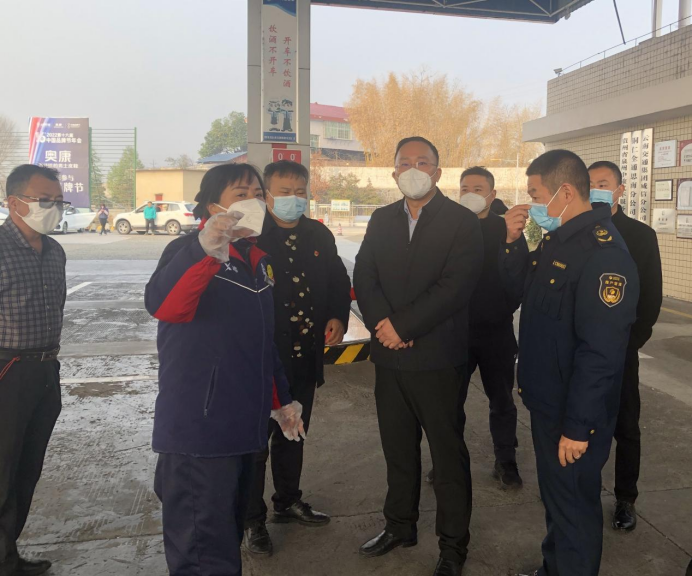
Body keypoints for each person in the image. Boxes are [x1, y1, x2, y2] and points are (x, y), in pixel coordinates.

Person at [144, 163, 305, 576]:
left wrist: (282, 401)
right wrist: (204, 250)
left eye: (258, 194)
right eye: (241, 194)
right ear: (214, 205)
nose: (254, 202)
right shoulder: (188, 250)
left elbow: (263, 342)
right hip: (201, 431)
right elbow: (164, 305)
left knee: (225, 538)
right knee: (203, 554)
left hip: (243, 428)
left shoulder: (256, 260)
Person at [501, 150, 639, 576]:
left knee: (575, 507)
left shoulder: (603, 254)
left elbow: (600, 353)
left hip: (573, 414)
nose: (531, 204)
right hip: (548, 403)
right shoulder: (558, 239)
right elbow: (520, 295)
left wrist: (578, 427)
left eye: (535, 194)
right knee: (558, 501)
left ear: (564, 192)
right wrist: (512, 243)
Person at [354, 137, 483, 576]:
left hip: (437, 359)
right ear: (393, 172)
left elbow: (456, 285)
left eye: (422, 162)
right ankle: (399, 526)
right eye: (404, 162)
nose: (413, 169)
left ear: (438, 172)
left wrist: (404, 327)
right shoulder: (381, 219)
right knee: (397, 449)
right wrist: (383, 326)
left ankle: (453, 546)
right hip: (389, 359)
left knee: (447, 456)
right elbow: (365, 275)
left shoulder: (461, 222)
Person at [244, 160, 352, 555]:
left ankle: (288, 501)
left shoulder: (318, 234)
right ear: (267, 195)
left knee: (294, 434)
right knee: (256, 445)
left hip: (304, 357)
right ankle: (252, 519)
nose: (293, 198)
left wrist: (337, 316)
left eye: (299, 191)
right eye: (284, 191)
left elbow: (339, 280)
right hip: (260, 361)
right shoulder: (250, 235)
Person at [588, 160, 663, 532]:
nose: (596, 190)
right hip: (580, 350)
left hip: (621, 350)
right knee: (581, 421)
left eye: (603, 183)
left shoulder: (640, 235)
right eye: (589, 183)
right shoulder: (573, 232)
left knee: (626, 426)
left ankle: (625, 498)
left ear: (620, 190)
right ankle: (580, 489)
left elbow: (650, 297)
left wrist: (631, 343)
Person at [0, 165, 67, 576]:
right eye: (45, 200)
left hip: (46, 370)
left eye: (58, 201)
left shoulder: (55, 251)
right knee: (2, 470)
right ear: (14, 202)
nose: (53, 208)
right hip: (8, 370)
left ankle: (7, 555)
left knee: (27, 468)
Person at [449, 166, 522, 488]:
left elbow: (518, 280)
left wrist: (500, 309)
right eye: (465, 188)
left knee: (502, 400)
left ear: (492, 195)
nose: (470, 194)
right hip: (455, 333)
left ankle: (506, 461)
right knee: (450, 402)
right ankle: (448, 460)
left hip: (496, 333)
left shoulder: (507, 230)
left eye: (478, 189)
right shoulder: (447, 229)